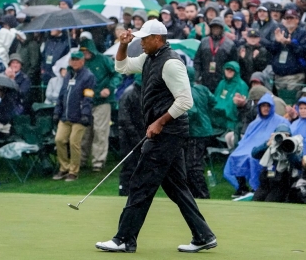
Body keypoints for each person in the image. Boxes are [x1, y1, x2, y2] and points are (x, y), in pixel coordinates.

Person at [96, 19, 216, 253]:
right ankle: (204, 235)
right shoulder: (150, 58)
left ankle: (123, 239)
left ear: (158, 39)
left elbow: (185, 101)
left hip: (168, 133)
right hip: (167, 133)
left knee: (141, 183)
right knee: (176, 187)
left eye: (145, 38)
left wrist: (159, 122)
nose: (141, 42)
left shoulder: (171, 63)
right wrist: (122, 45)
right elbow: (122, 67)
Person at [224, 93, 290, 196]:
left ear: (272, 107)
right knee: (234, 156)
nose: (266, 108)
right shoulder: (255, 123)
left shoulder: (280, 121)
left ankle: (256, 187)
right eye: (263, 106)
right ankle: (241, 187)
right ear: (259, 107)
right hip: (249, 148)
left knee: (252, 158)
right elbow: (246, 138)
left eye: (268, 106)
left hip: (266, 149)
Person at [79, 39, 121, 172]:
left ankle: (98, 162)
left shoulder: (103, 60)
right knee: (84, 133)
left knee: (100, 131)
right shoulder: (80, 62)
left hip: (103, 101)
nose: (85, 53)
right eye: (83, 51)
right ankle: (81, 160)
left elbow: (117, 74)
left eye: (86, 50)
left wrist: (109, 88)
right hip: (86, 101)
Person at [52, 50, 95, 182]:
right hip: (65, 116)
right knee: (59, 140)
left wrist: (86, 114)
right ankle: (64, 167)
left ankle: (73, 171)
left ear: (82, 61)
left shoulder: (88, 76)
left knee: (74, 142)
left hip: (80, 117)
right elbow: (62, 94)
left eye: (77, 60)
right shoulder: (68, 75)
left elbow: (89, 97)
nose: (75, 62)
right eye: (73, 60)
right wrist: (57, 111)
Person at [184, 67, 215, 199]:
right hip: (205, 130)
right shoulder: (202, 88)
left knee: (193, 166)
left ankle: (202, 195)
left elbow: (191, 111)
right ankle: (195, 194)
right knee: (191, 164)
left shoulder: (185, 91)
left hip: (195, 132)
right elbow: (213, 101)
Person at [251, 124, 302, 202]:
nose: (283, 137)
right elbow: (254, 154)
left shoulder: (294, 146)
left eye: (286, 135)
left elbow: (299, 164)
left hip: (281, 185)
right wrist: (267, 144)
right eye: (280, 134)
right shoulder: (271, 145)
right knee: (256, 201)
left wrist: (289, 149)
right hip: (266, 182)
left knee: (269, 202)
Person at [263, 9, 306, 91]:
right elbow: (272, 51)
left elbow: (304, 52)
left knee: (290, 100)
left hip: (294, 75)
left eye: (291, 18)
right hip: (279, 75)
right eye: (287, 18)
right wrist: (277, 42)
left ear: (297, 20)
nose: (289, 20)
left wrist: (290, 43)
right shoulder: (281, 32)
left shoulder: (302, 33)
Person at [193, 17, 237, 92]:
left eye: (218, 27)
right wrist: (198, 76)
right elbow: (197, 61)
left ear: (222, 29)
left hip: (222, 80)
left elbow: (234, 64)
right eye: (214, 27)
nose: (216, 29)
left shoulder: (230, 44)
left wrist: (228, 79)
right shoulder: (204, 42)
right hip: (205, 79)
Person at [211, 61, 248, 132]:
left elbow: (243, 108)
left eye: (232, 70)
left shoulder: (242, 86)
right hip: (218, 120)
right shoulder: (222, 83)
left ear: (236, 72)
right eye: (227, 69)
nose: (229, 71)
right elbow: (215, 99)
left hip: (232, 122)